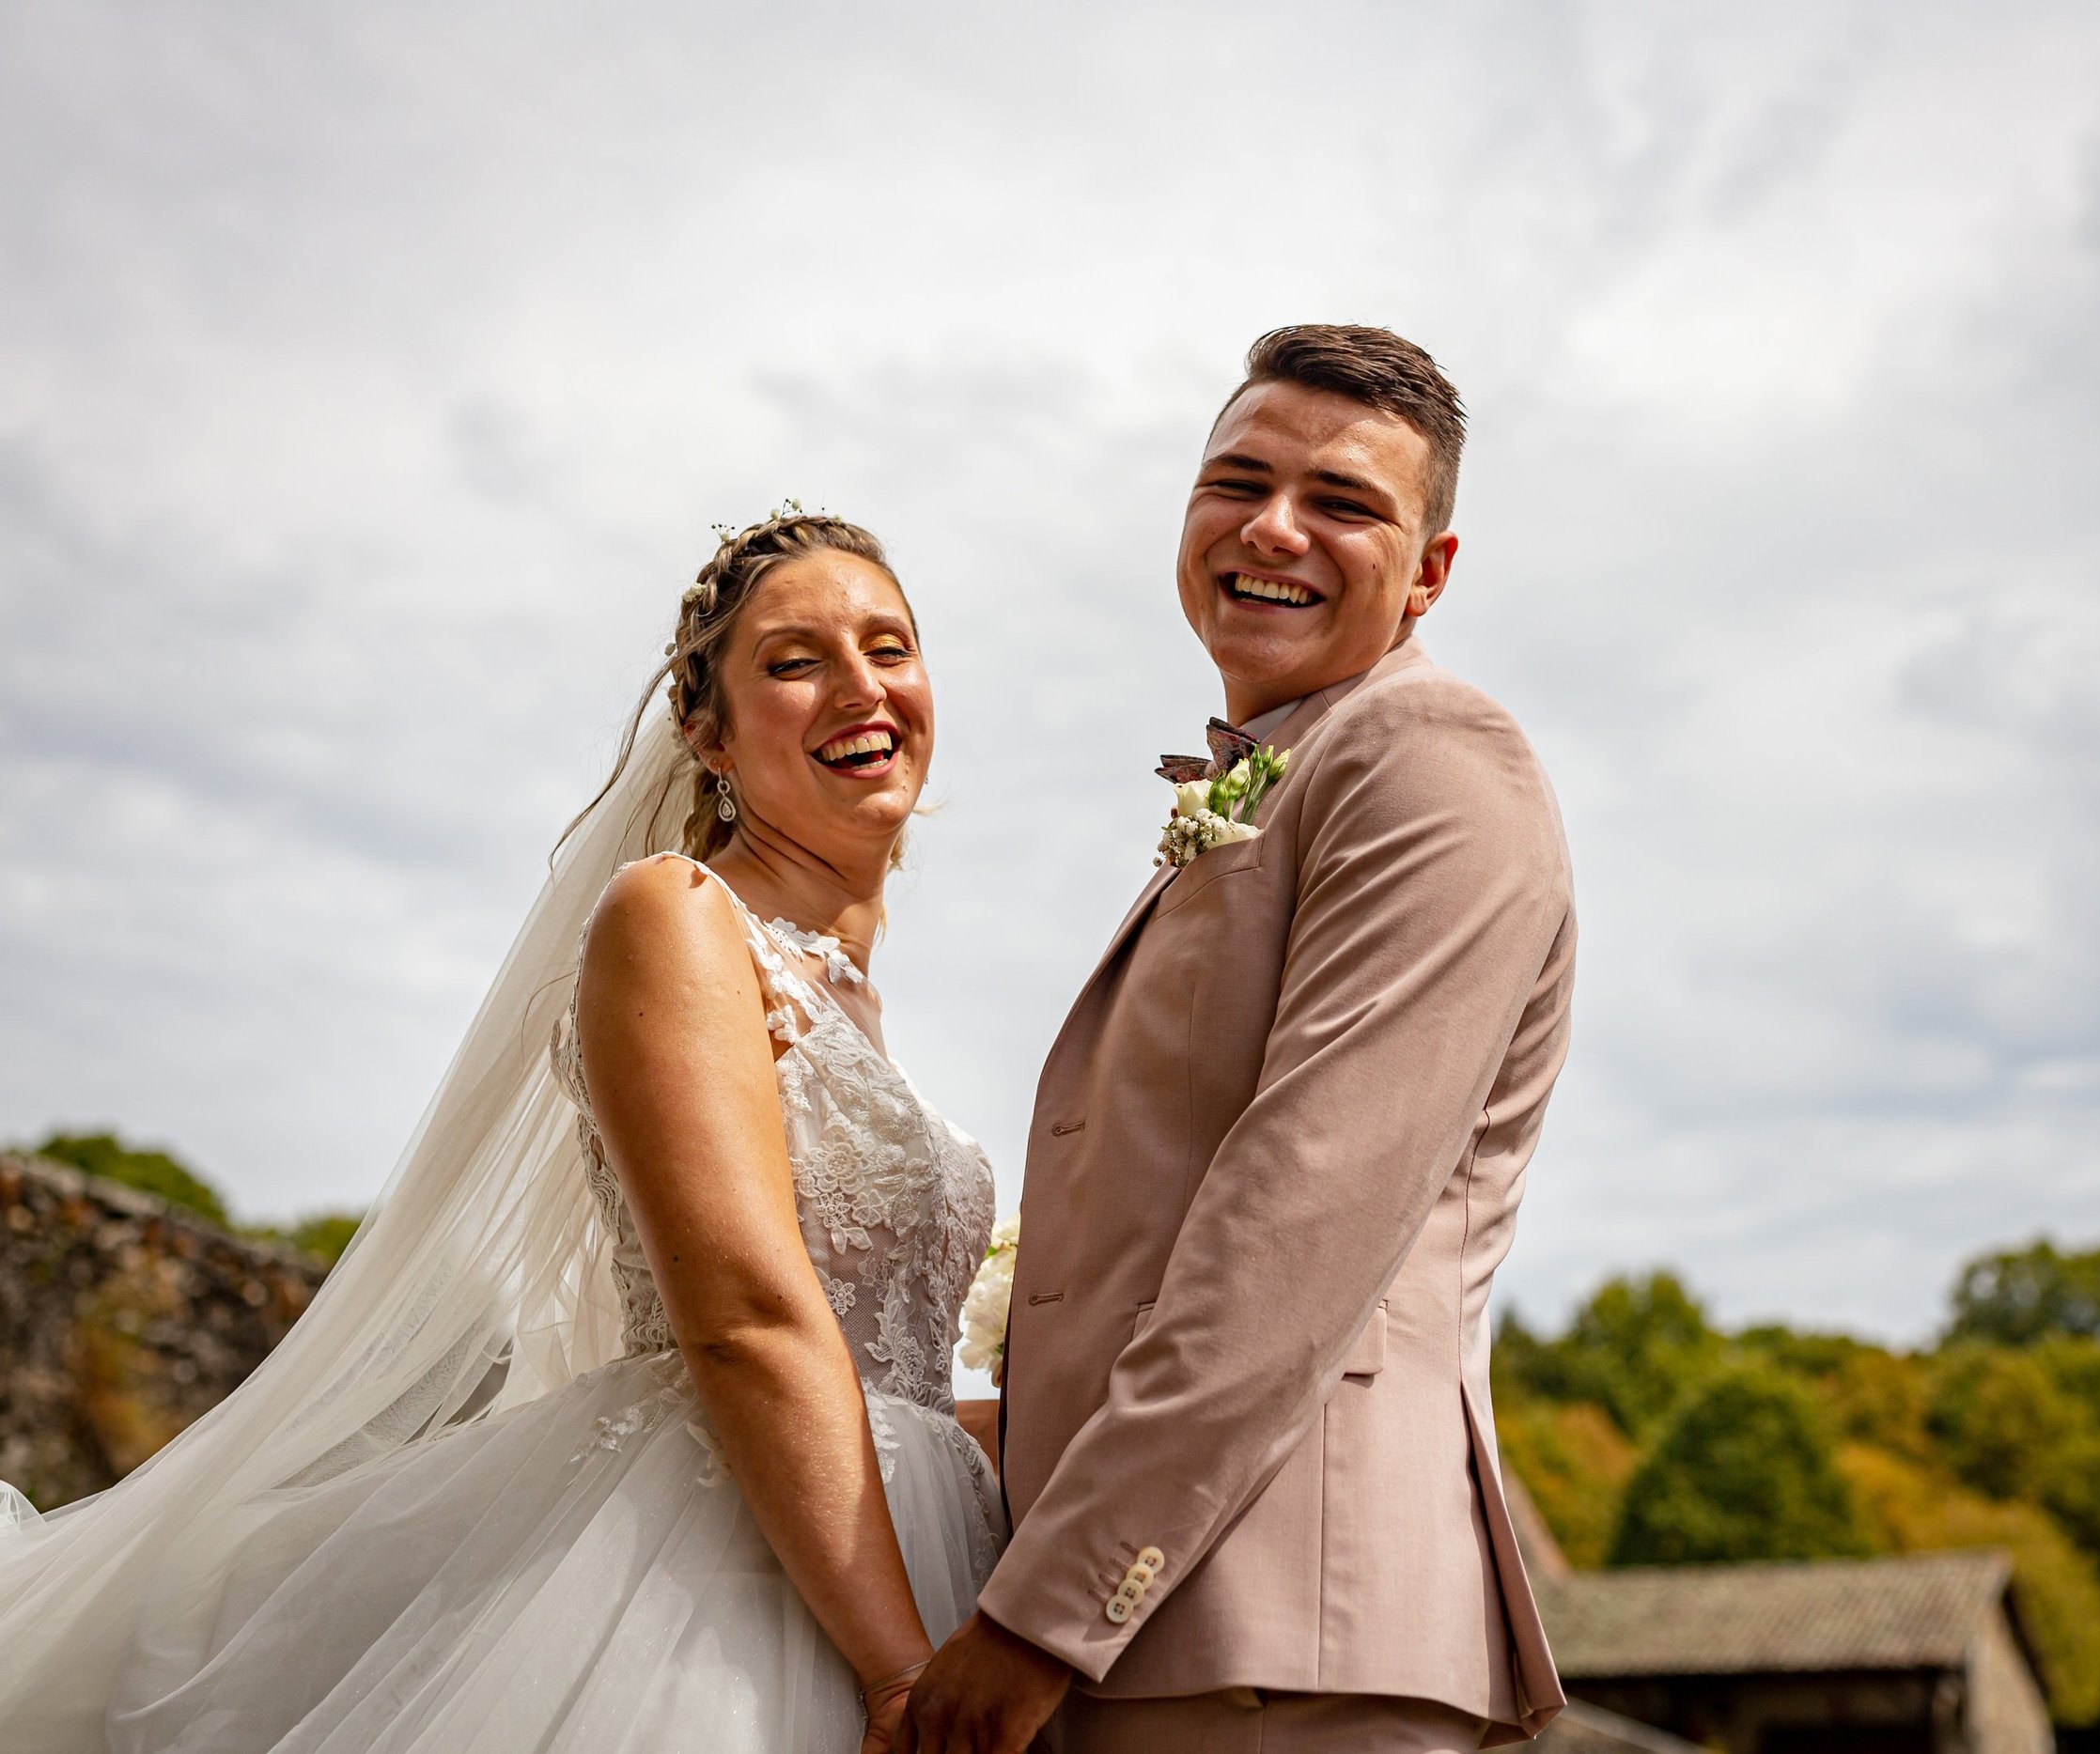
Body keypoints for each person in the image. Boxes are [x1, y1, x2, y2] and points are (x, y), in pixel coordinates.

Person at [0, 511, 1004, 1753]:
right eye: (795, 661)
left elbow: (878, 1376)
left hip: (903, 1540)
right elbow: (742, 1316)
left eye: (888, 646)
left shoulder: (857, 1004)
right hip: (729, 1589)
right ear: (710, 735)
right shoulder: (680, 918)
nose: (861, 686)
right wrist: (900, 1674)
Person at [906, 326, 1578, 1754]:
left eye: (1343, 502)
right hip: (1160, 1638)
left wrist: (1040, 1613)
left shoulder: (1433, 764)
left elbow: (1298, 1223)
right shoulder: (1294, 762)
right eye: (1239, 481)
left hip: (1288, 1642)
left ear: (1430, 575)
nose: (1275, 527)